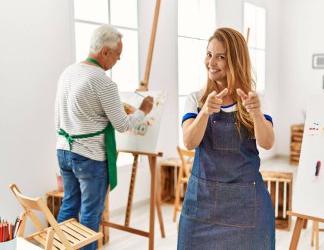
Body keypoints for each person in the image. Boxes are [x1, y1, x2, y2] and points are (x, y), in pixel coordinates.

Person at [54, 24, 153, 250]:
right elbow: (122, 124)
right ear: (105, 52)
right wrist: (143, 110)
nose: (118, 60)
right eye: (118, 55)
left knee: (69, 206)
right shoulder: (102, 80)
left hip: (63, 150)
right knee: (90, 214)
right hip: (89, 157)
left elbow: (61, 117)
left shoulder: (68, 72)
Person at [177, 27, 275, 250]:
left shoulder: (253, 99)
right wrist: (205, 112)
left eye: (220, 57)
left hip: (246, 206)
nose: (211, 62)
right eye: (209, 54)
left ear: (235, 60)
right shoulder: (196, 99)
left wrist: (256, 113)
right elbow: (190, 142)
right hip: (201, 204)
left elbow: (267, 142)